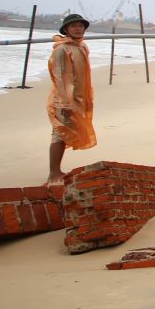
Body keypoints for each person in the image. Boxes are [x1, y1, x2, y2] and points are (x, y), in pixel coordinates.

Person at [46, 13, 96, 184]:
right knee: (59, 133)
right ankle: (53, 173)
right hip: (64, 100)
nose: (78, 28)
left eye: (81, 26)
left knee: (65, 133)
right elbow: (61, 78)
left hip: (78, 98)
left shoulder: (81, 46)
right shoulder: (62, 49)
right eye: (74, 26)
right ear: (66, 29)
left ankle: (56, 170)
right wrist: (65, 104)